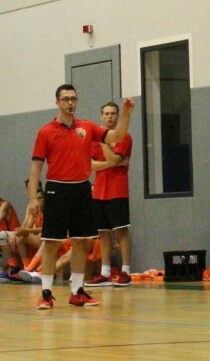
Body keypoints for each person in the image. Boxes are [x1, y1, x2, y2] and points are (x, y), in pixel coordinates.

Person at [26, 84, 135, 310]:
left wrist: (126, 114)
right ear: (57, 102)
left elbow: (117, 135)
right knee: (51, 243)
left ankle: (77, 291)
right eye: (66, 99)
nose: (70, 103)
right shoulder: (45, 132)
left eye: (73, 98)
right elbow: (36, 169)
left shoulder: (87, 127)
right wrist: (33, 198)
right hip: (57, 189)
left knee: (81, 242)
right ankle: (46, 293)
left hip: (82, 189)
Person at [84, 101, 134, 288]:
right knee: (103, 232)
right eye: (106, 114)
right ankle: (105, 273)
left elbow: (115, 158)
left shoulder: (124, 137)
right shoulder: (93, 140)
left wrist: (104, 144)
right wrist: (110, 162)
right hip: (98, 191)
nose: (110, 117)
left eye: (113, 113)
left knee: (121, 231)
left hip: (118, 189)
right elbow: (90, 164)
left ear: (118, 116)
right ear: (101, 116)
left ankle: (126, 272)